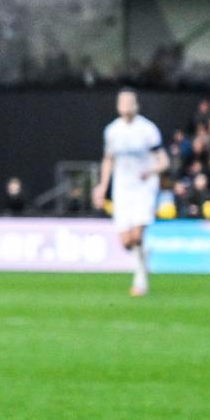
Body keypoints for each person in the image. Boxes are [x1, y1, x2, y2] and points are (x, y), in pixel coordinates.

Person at [92, 88, 167, 296]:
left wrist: (150, 171)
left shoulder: (148, 129)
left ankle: (140, 280)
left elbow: (164, 161)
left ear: (136, 105)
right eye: (122, 102)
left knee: (136, 235)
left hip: (144, 188)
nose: (125, 106)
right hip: (122, 189)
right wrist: (102, 187)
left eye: (129, 102)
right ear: (117, 106)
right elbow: (108, 160)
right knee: (126, 242)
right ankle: (145, 254)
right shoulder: (112, 131)